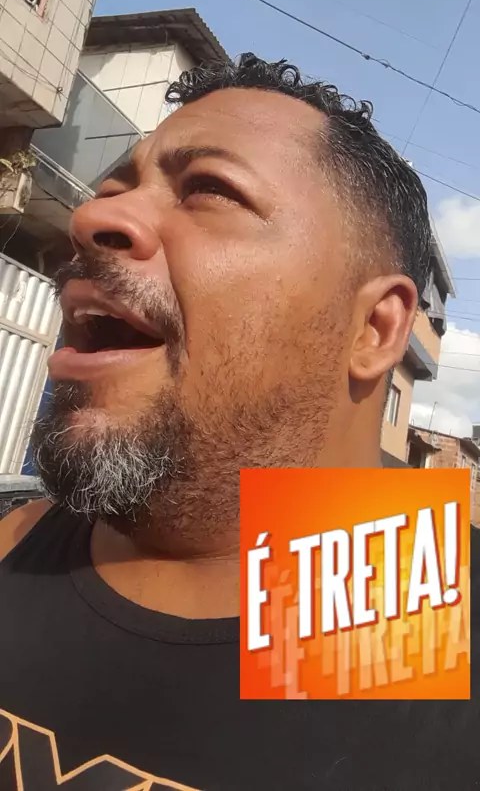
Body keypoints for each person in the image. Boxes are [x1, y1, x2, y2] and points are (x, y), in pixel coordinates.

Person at [0, 54, 477, 790]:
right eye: (111, 189)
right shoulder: (19, 544)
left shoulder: (396, 608)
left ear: (374, 328)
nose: (91, 218)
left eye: (210, 190)